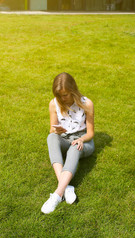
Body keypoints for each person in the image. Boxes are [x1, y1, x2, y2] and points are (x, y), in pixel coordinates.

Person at [41, 72, 95, 214]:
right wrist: (56, 131)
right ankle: (66, 187)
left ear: (73, 91)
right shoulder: (54, 103)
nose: (62, 99)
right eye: (59, 95)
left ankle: (57, 195)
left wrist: (81, 139)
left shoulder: (86, 104)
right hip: (65, 137)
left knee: (75, 146)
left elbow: (90, 133)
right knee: (50, 138)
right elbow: (52, 129)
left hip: (84, 141)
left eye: (65, 95)